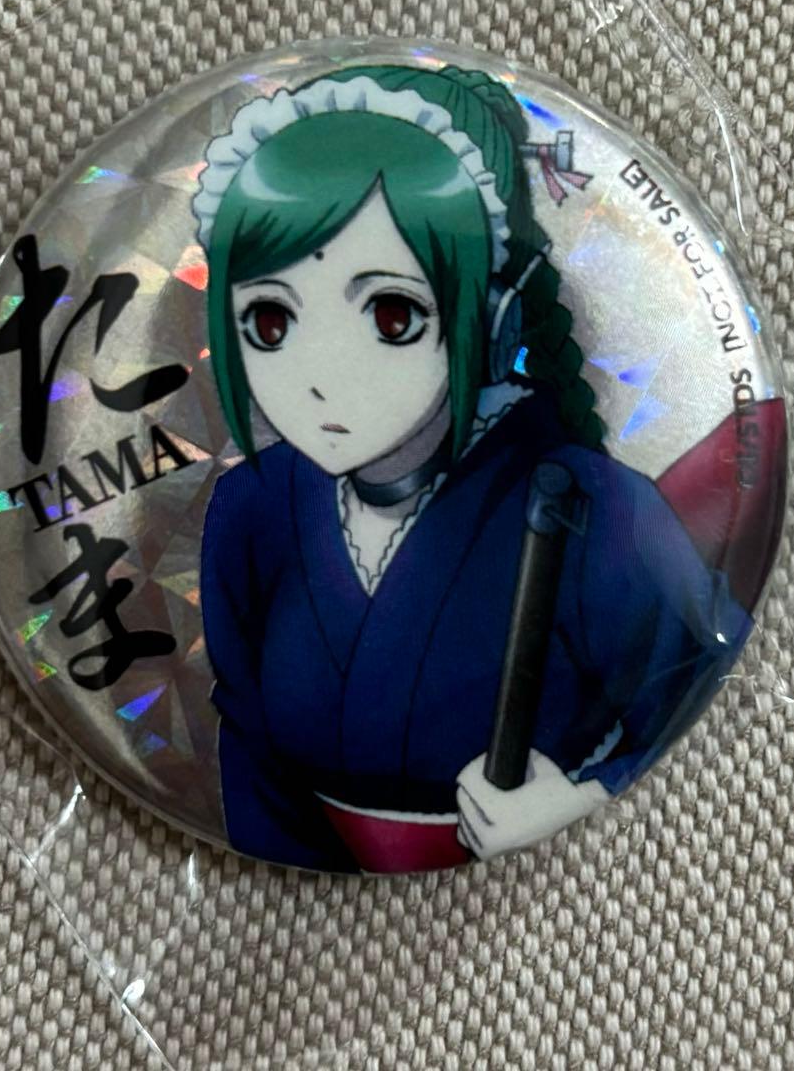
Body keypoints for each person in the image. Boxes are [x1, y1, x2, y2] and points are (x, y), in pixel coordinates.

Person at [192, 64, 752, 872]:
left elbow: (699, 675)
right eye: (270, 321)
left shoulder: (584, 503)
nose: (319, 376)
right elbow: (250, 746)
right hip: (295, 889)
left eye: (391, 314)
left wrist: (582, 796)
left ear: (492, 314)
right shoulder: (252, 510)